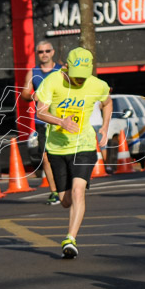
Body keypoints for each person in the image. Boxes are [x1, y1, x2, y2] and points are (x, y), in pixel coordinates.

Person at [34, 47, 112, 259]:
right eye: (76, 77)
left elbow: (107, 102)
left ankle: (71, 238)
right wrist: (61, 121)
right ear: (66, 67)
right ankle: (69, 223)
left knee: (78, 191)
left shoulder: (96, 84)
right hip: (57, 148)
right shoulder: (52, 81)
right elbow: (39, 110)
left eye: (83, 78)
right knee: (65, 200)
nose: (79, 82)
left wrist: (105, 126)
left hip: (84, 145)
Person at [21, 40, 63, 204]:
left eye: (47, 51)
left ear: (52, 52)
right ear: (37, 54)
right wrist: (34, 96)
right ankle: (54, 192)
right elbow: (25, 94)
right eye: (40, 52)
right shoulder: (33, 73)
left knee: (66, 155)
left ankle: (70, 186)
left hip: (61, 119)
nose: (44, 54)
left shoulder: (62, 70)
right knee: (46, 157)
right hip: (42, 120)